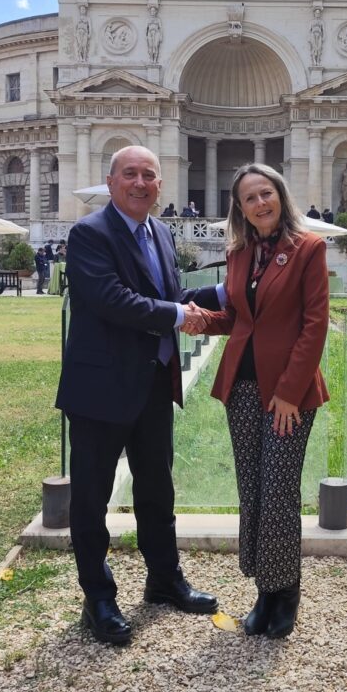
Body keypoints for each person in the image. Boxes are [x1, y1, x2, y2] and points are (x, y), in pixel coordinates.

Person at [55, 145, 221, 647]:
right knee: (91, 498)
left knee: (157, 490)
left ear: (160, 186)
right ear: (111, 182)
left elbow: (174, 294)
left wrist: (237, 293)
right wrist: (178, 316)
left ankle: (164, 580)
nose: (140, 182)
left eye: (150, 175)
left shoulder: (162, 233)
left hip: (153, 382)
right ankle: (98, 599)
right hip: (101, 388)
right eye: (130, 174)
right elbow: (111, 300)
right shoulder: (89, 233)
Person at [185, 162, 329, 640]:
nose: (259, 203)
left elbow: (314, 325)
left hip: (288, 393)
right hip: (243, 389)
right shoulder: (240, 253)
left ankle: (286, 592)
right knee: (253, 489)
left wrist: (290, 393)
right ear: (240, 209)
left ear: (280, 196)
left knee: (279, 492)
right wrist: (201, 320)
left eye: (265, 193)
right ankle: (263, 590)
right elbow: (239, 317)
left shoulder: (308, 248)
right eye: (249, 198)